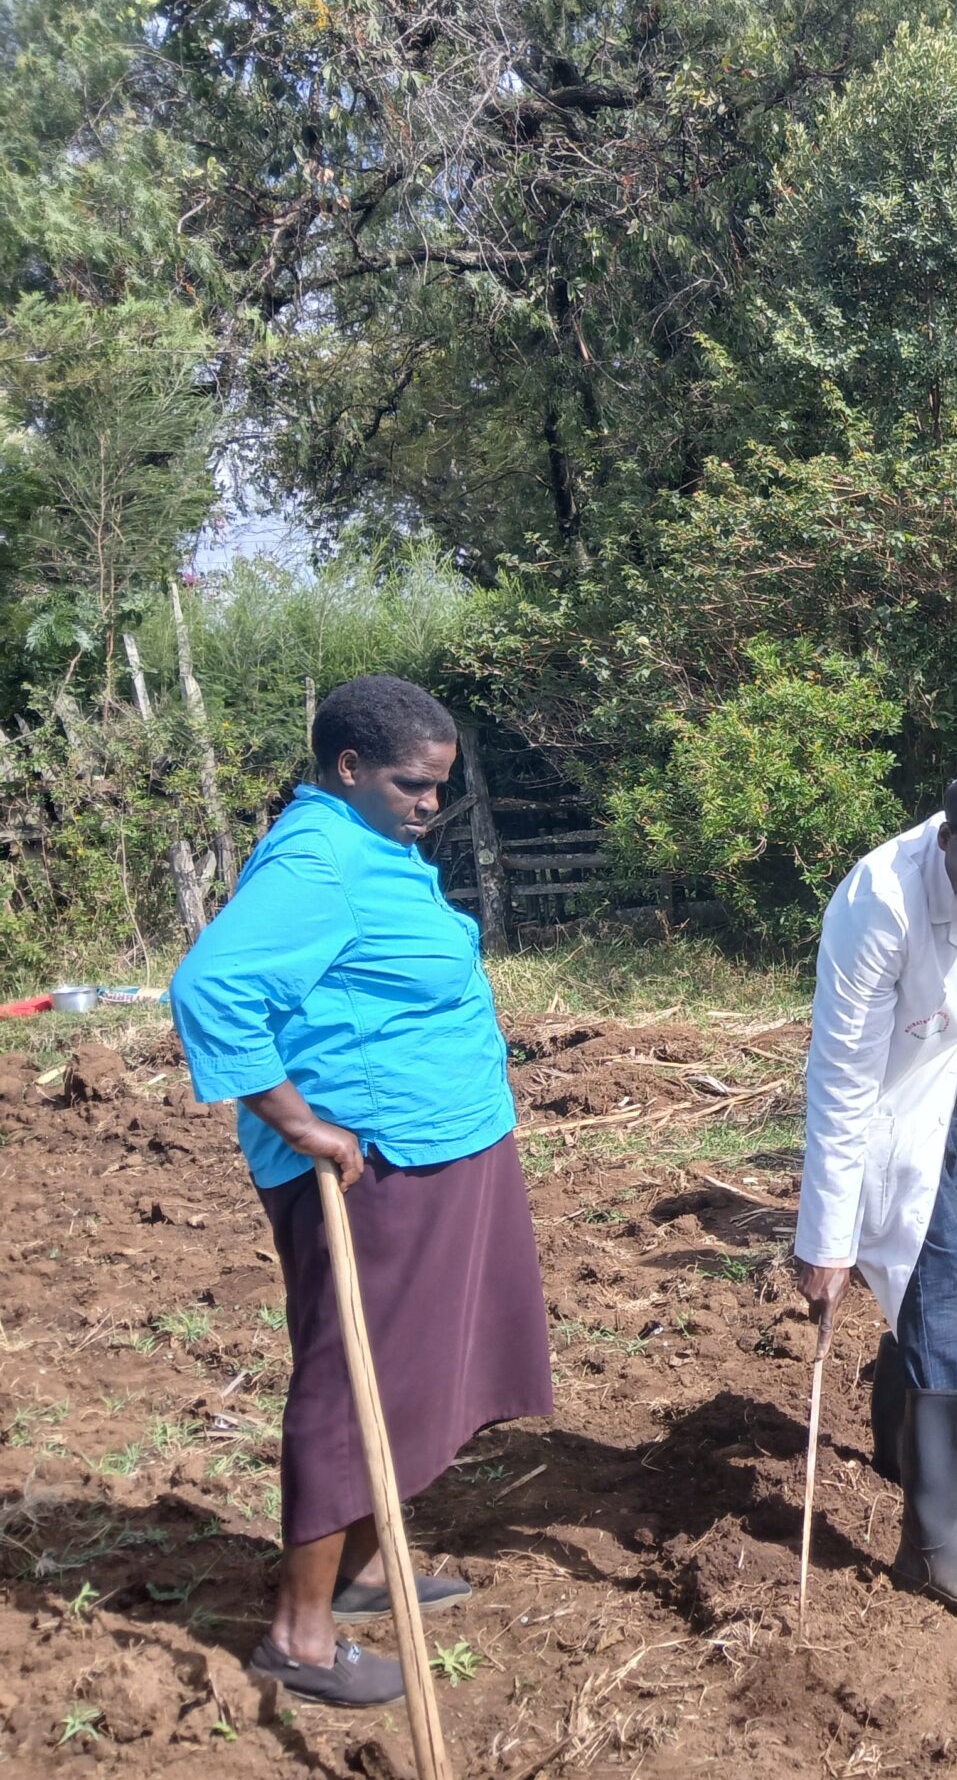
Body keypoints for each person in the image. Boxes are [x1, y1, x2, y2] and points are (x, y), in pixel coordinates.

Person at [169, 676, 551, 1709]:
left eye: (439, 787)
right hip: (374, 1167)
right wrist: (296, 1119)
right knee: (361, 1383)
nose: (430, 804)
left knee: (425, 1372)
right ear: (346, 770)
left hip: (446, 1145)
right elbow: (211, 986)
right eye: (411, 785)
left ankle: (361, 1569)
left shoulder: (373, 846)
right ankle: (299, 1632)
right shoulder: (321, 856)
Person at [795, 761, 957, 1618]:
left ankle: (903, 1447)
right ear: (949, 843)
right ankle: (934, 1545)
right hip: (891, 1100)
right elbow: (840, 1081)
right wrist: (826, 1239)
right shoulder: (879, 904)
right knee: (949, 1287)